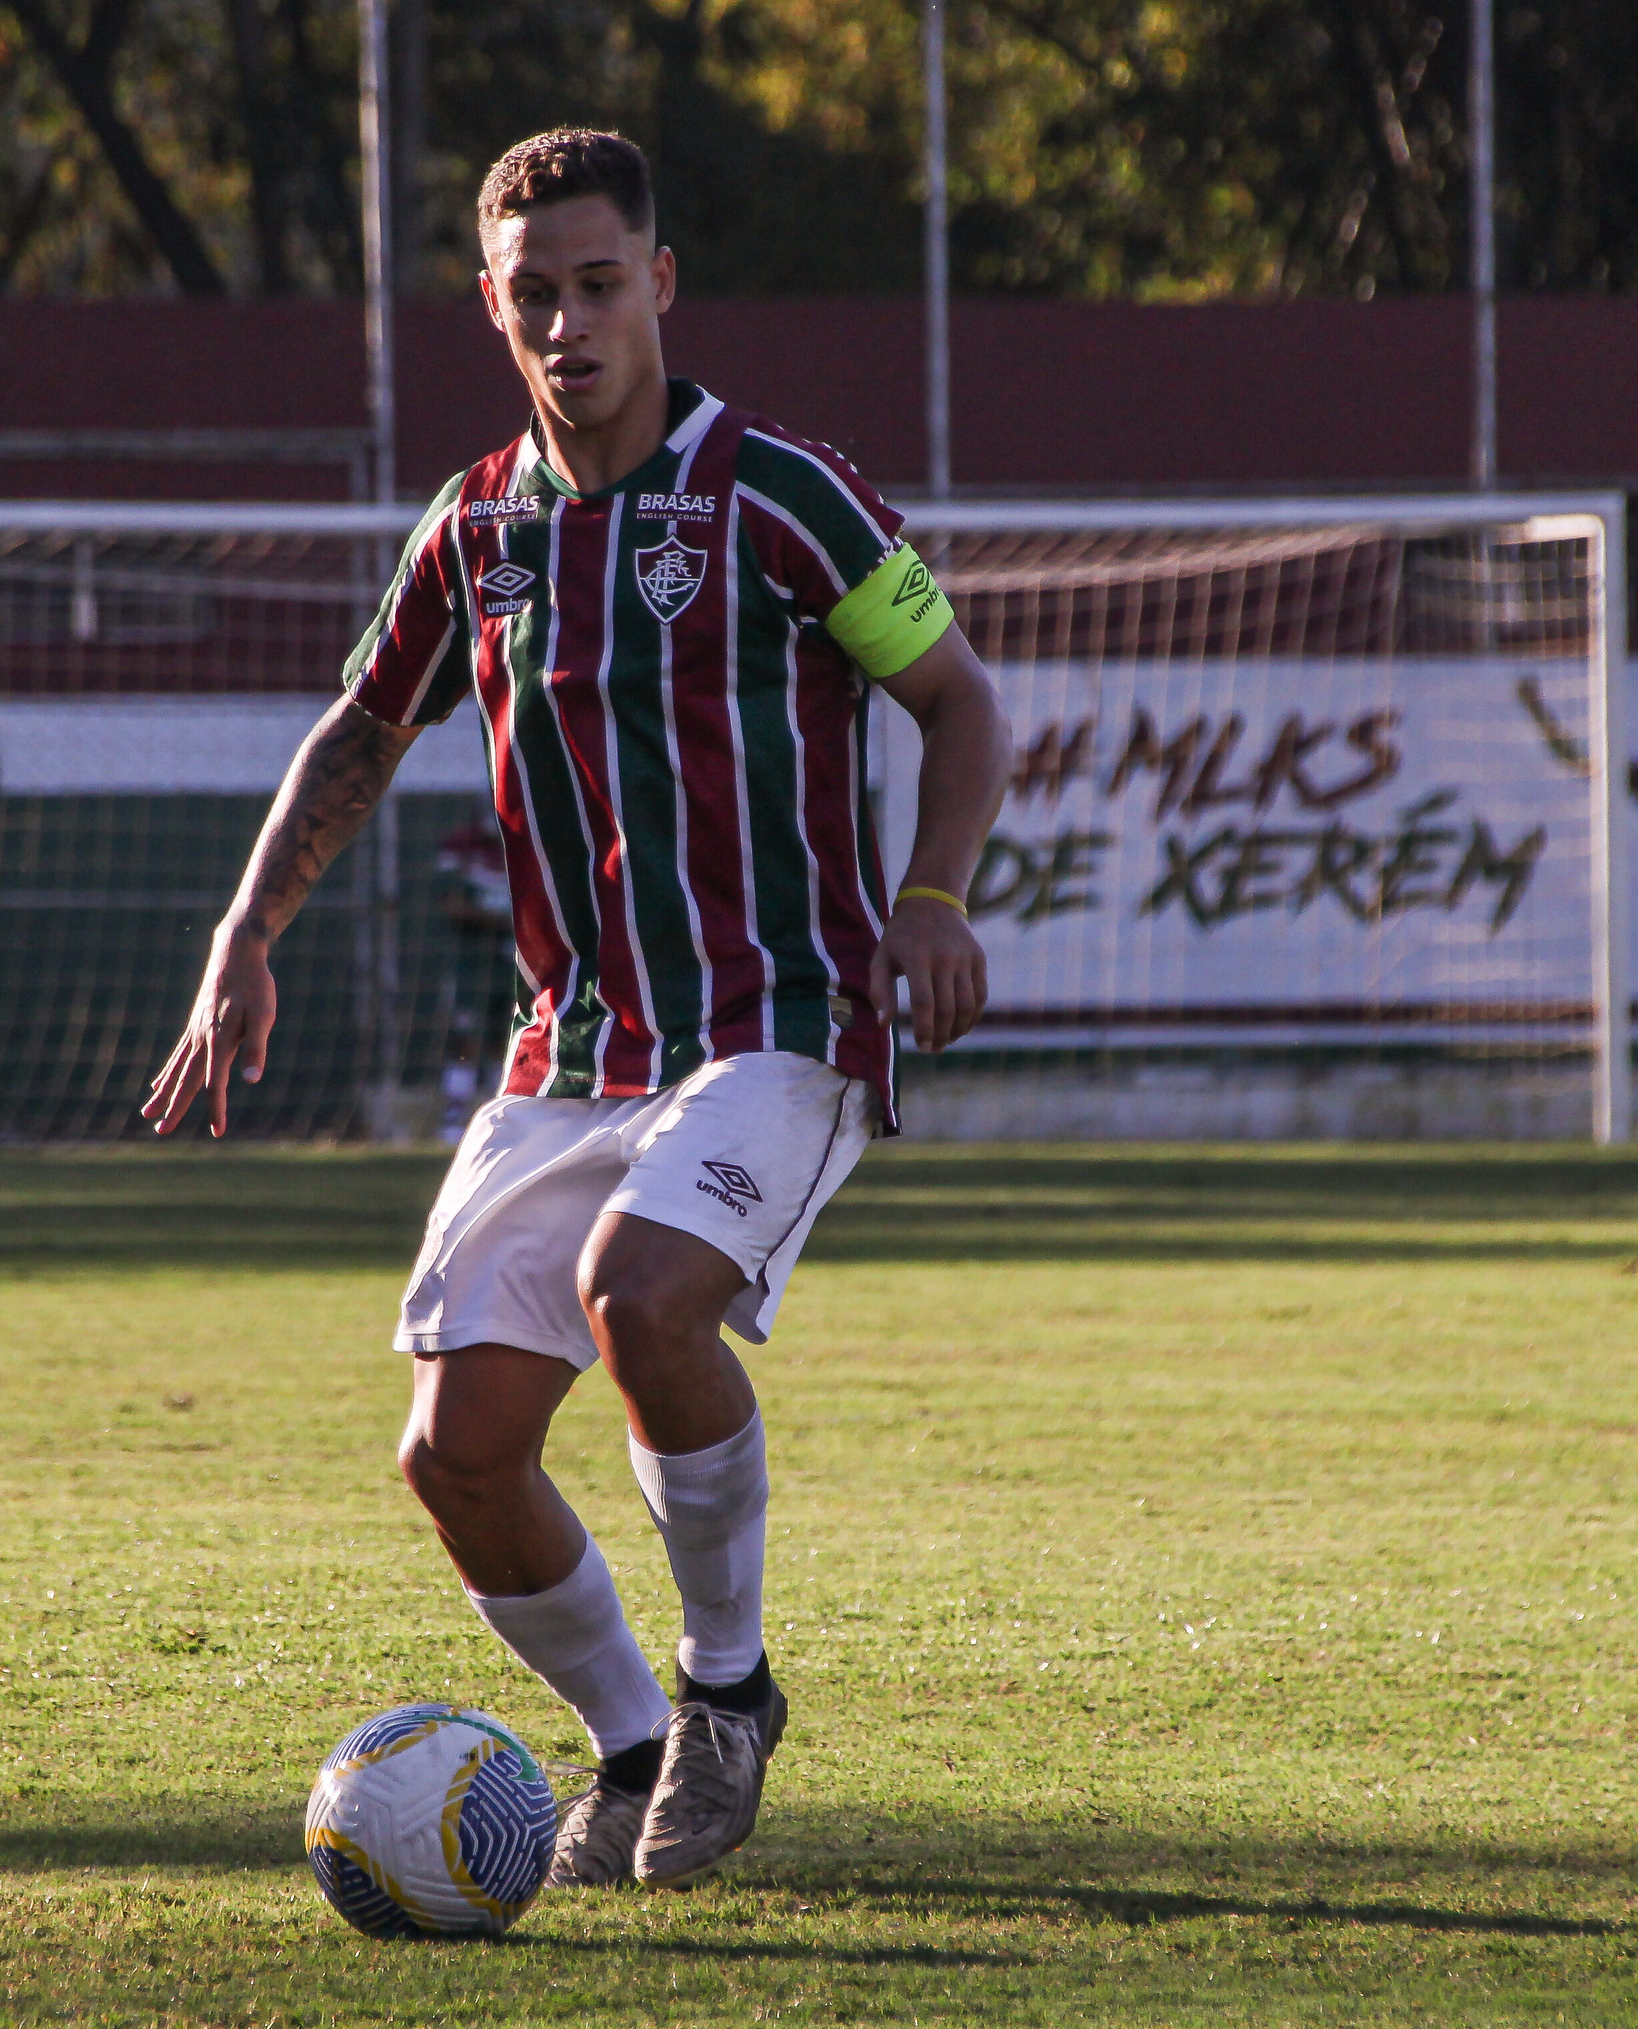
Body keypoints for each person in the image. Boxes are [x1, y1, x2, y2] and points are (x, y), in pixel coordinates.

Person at [143, 128, 1011, 1889]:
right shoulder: (475, 528)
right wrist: (245, 929)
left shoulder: (780, 495)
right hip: (573, 1054)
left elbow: (959, 702)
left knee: (642, 1298)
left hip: (780, 1021)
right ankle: (627, 1747)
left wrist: (929, 900)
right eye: (532, 294)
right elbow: (360, 731)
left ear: (659, 286)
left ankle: (726, 1694)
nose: (567, 322)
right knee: (453, 1454)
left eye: (598, 284)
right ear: (491, 305)